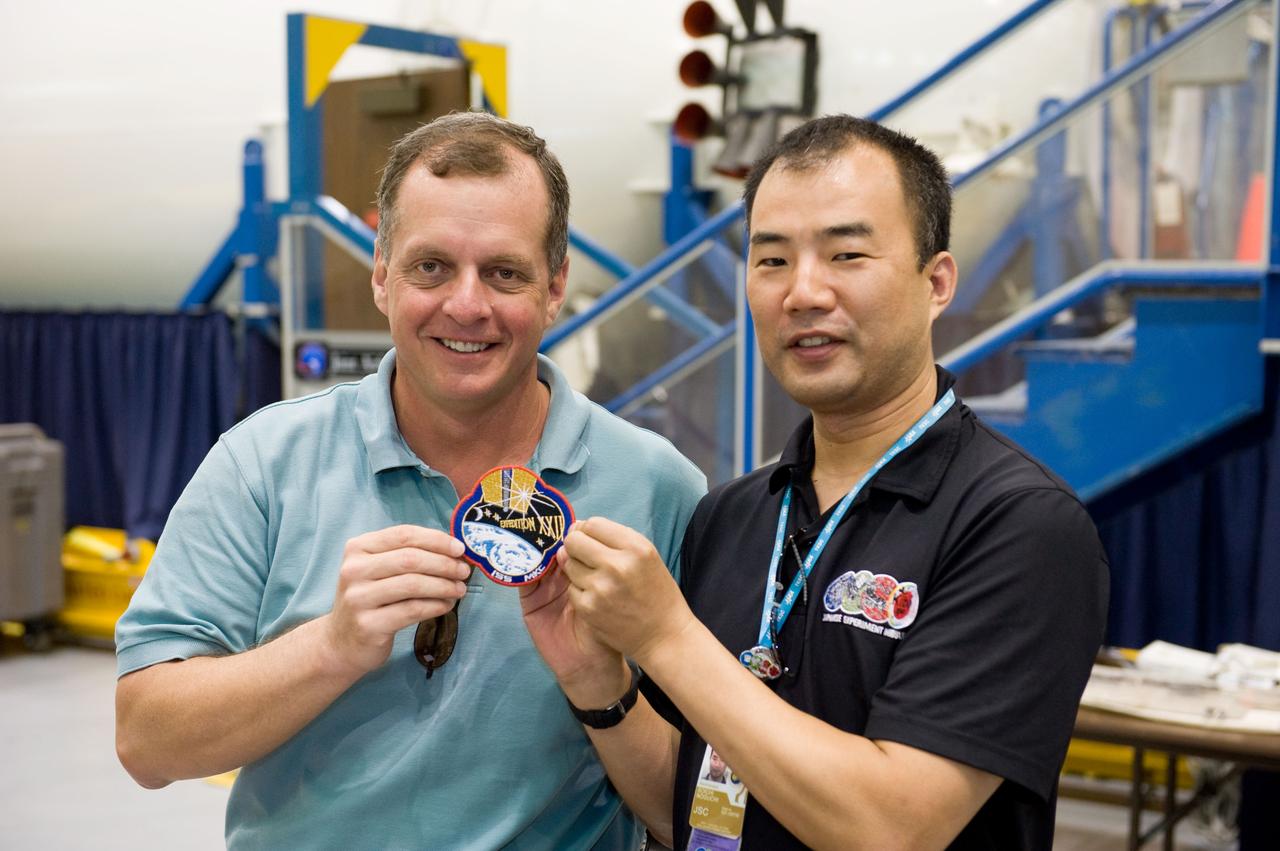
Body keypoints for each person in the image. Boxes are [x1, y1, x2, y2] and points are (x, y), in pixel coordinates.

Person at [114, 112, 706, 849]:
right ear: (380, 275)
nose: (466, 305)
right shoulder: (262, 464)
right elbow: (146, 741)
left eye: (504, 271)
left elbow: (705, 812)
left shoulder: (659, 489)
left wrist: (601, 686)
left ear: (554, 288)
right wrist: (329, 647)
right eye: (431, 267)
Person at [522, 115, 1109, 850]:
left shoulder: (1020, 527)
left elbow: (891, 827)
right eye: (771, 261)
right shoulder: (733, 515)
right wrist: (595, 681)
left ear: (937, 282)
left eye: (847, 254)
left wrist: (665, 634)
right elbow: (689, 809)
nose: (803, 292)